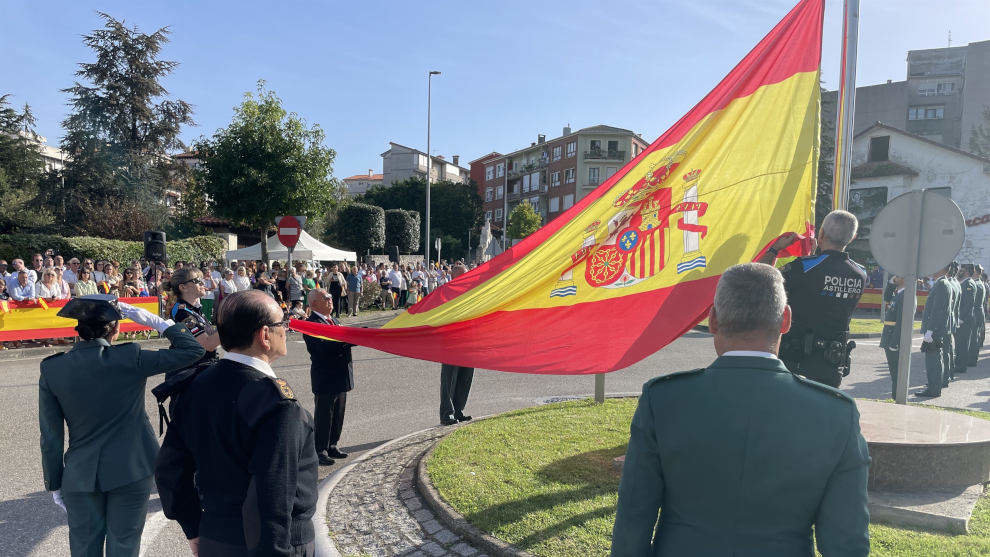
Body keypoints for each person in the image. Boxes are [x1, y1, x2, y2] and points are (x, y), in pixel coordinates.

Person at [611, 263, 870, 556]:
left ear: (712, 320)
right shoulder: (835, 413)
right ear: (785, 320)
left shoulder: (664, 399)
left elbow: (634, 517)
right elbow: (846, 542)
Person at [39, 295, 205, 557]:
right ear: (116, 329)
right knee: (124, 545)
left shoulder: (52, 368)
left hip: (80, 473)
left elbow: (50, 436)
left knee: (83, 547)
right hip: (132, 467)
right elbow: (193, 350)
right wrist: (154, 320)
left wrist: (54, 483)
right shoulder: (130, 357)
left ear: (77, 331)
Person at [155, 290, 318, 556]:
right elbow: (274, 492)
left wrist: (194, 528)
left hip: (215, 536)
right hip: (275, 545)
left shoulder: (196, 384)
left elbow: (169, 469)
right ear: (264, 335)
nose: (286, 329)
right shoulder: (275, 404)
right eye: (282, 324)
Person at [758, 210, 866, 387]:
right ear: (852, 237)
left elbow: (763, 279)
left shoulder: (804, 267)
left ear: (821, 233)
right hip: (832, 362)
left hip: (796, 359)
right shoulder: (861, 273)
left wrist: (774, 249)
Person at [302, 288, 354, 465]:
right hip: (326, 376)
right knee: (325, 414)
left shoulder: (334, 320)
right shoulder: (312, 323)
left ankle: (332, 444)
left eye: (331, 297)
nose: (331, 300)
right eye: (327, 298)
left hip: (340, 374)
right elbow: (323, 348)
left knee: (339, 412)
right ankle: (319, 449)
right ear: (314, 303)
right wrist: (349, 340)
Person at [168, 267, 222, 364]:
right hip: (192, 370)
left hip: (204, 364)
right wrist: (232, 324)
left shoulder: (194, 309)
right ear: (183, 287)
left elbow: (211, 333)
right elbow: (207, 344)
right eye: (197, 281)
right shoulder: (182, 312)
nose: (203, 283)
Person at [918, 264, 953, 397]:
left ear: (942, 269)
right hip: (937, 329)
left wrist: (930, 330)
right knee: (935, 359)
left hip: (935, 330)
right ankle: (934, 386)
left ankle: (933, 389)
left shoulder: (942, 284)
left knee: (933, 360)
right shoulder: (943, 283)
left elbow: (937, 310)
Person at [880, 275, 914, 398]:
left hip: (894, 339)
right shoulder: (899, 293)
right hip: (889, 336)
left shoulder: (906, 295)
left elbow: (901, 321)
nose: (895, 277)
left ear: (904, 278)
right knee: (894, 371)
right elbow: (887, 298)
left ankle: (897, 396)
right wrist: (890, 282)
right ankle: (895, 396)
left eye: (898, 275)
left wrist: (895, 342)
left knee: (897, 372)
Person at [954, 264, 977, 377]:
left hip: (965, 320)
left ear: (967, 271)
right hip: (963, 319)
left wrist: (960, 318)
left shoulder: (969, 284)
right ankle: (959, 363)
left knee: (962, 344)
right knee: (959, 343)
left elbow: (968, 304)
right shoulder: (964, 282)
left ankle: (961, 366)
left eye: (962, 269)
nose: (959, 271)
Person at [969, 264, 986, 367]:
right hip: (978, 312)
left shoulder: (977, 284)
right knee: (974, 337)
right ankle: (972, 358)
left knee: (974, 338)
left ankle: (972, 360)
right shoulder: (979, 283)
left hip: (976, 313)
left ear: (976, 272)